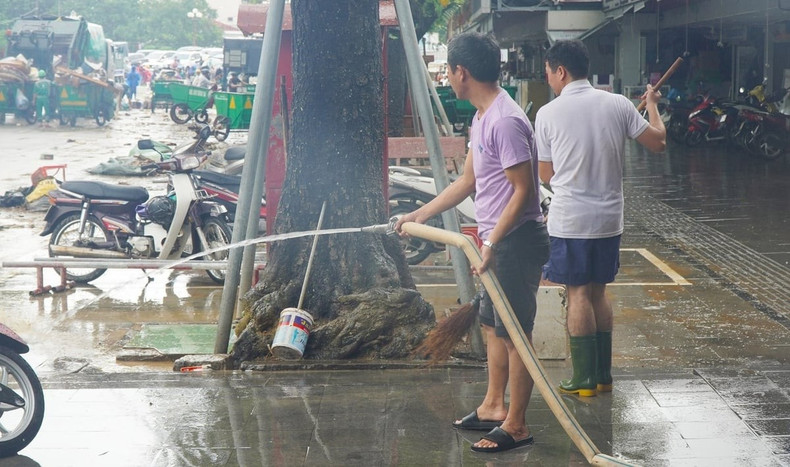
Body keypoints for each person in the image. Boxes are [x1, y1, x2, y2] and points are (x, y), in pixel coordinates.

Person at [394, 32, 549, 453]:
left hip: (514, 242)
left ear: (462, 72)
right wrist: (417, 216)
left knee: (516, 334)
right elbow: (467, 181)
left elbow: (524, 191)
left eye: (448, 69)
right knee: (491, 326)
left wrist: (492, 240)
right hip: (496, 242)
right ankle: (493, 406)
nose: (447, 76)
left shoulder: (506, 120)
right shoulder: (482, 118)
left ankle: (516, 425)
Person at [534, 40, 666, 397]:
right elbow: (658, 142)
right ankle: (604, 375)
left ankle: (584, 379)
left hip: (571, 220)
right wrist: (652, 107)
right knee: (598, 293)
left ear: (560, 71)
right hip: (609, 220)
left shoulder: (547, 114)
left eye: (548, 72)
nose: (548, 79)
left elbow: (546, 175)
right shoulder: (619, 104)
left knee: (577, 294)